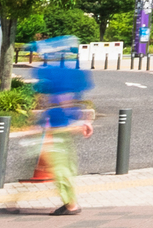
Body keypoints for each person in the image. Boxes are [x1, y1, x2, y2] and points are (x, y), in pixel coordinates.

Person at [12, 37, 93, 216]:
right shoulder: (73, 70)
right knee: (64, 164)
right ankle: (68, 202)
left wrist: (38, 124)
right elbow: (76, 97)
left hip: (57, 125)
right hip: (66, 125)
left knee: (59, 165)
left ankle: (71, 204)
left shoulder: (49, 71)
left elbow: (55, 98)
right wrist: (84, 120)